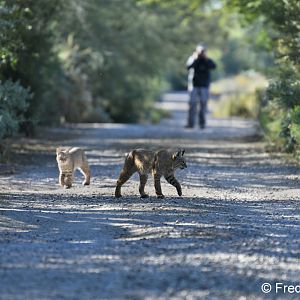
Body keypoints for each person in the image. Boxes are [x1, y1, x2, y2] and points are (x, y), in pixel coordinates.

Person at [186, 44, 216, 129]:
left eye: (202, 52)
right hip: (194, 85)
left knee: (203, 104)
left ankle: (202, 123)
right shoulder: (192, 59)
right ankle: (190, 123)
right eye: (200, 52)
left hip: (204, 86)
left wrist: (205, 59)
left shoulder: (207, 60)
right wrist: (195, 59)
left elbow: (213, 66)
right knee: (192, 104)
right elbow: (188, 67)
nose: (201, 53)